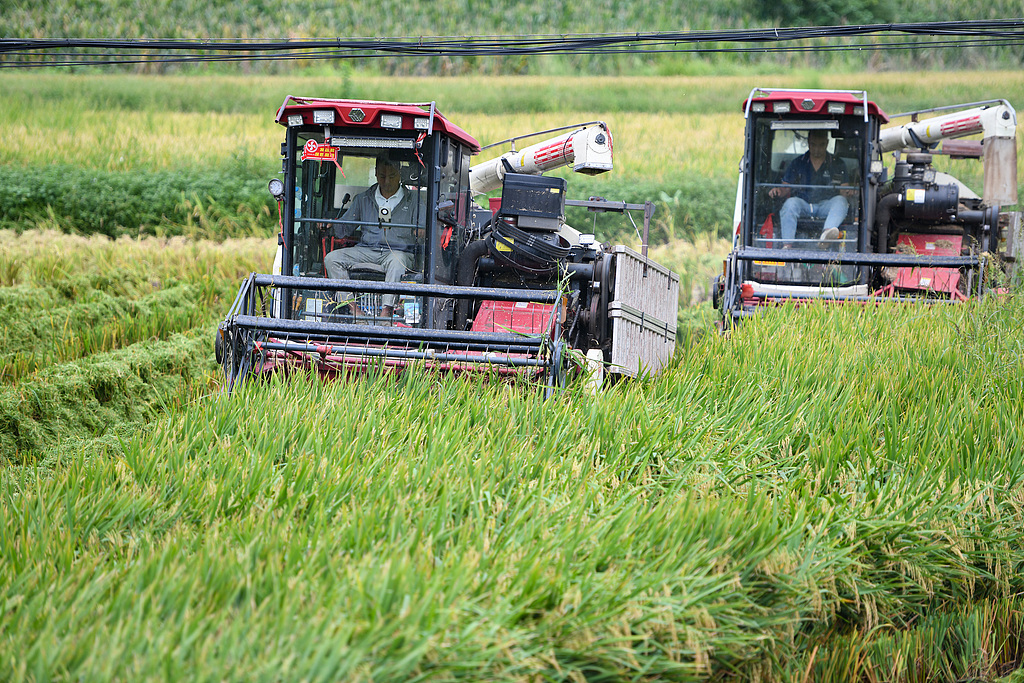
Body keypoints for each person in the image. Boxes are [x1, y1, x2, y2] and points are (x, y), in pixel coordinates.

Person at [324, 155, 421, 318]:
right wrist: (330, 225)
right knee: (331, 258)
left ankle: (386, 313)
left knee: (397, 261)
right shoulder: (363, 199)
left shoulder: (414, 201)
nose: (387, 182)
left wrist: (420, 232)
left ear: (399, 175)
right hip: (367, 250)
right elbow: (344, 229)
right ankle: (354, 311)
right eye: (382, 176)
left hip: (398, 253)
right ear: (375, 173)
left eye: (391, 176)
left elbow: (425, 230)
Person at [768, 130, 851, 247]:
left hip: (826, 206)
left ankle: (826, 235)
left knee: (841, 201)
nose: (817, 149)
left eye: (821, 145)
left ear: (827, 143)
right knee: (790, 203)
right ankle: (787, 247)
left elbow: (844, 190)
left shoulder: (838, 164)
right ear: (808, 143)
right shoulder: (797, 163)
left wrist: (850, 192)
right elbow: (785, 188)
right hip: (803, 205)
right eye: (813, 145)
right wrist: (777, 191)